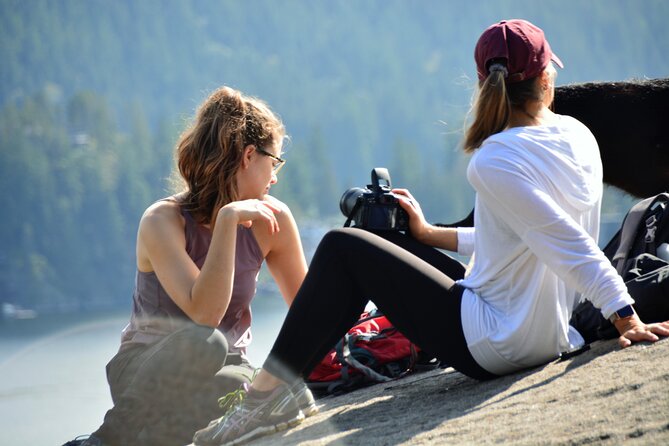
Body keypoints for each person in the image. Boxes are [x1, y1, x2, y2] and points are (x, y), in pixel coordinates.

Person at [192, 19, 669, 446]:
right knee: (394, 241)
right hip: (553, 331)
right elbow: (527, 235)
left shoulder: (494, 157)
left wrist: (624, 315)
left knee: (342, 248)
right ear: (546, 78)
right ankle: (283, 388)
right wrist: (427, 233)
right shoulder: (578, 136)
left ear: (487, 84)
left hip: (500, 344)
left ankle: (260, 402)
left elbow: (563, 239)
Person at [63, 86, 317, 446]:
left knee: (256, 386)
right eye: (273, 163)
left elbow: (310, 313)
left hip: (224, 369)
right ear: (248, 156)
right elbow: (205, 316)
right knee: (207, 342)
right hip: (145, 369)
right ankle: (106, 439)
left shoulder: (272, 221)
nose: (275, 177)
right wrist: (228, 221)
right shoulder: (162, 221)